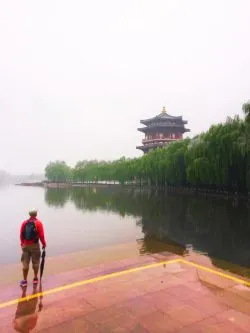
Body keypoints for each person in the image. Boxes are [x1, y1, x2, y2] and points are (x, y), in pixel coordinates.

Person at [20, 209, 46, 287]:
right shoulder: (38, 223)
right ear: (36, 214)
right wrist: (44, 244)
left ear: (29, 214)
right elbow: (41, 235)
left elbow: (21, 234)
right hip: (35, 246)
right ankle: (35, 279)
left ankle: (24, 281)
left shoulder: (24, 223)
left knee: (25, 263)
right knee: (36, 262)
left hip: (25, 246)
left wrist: (22, 244)